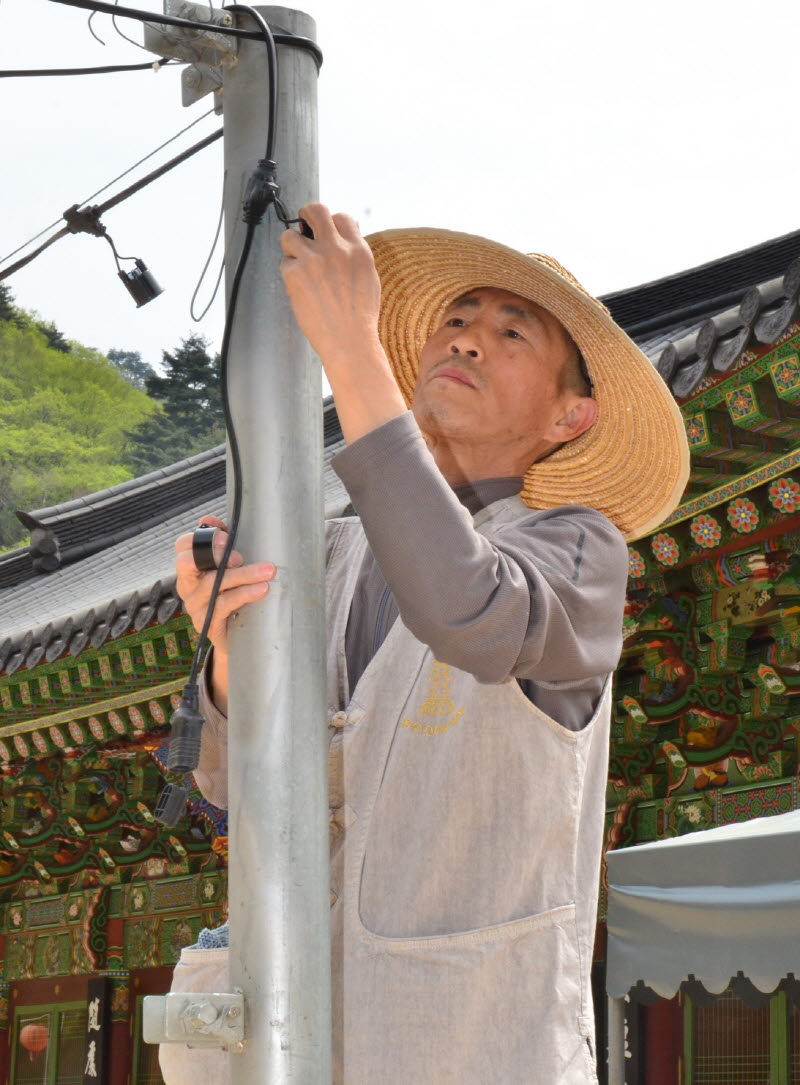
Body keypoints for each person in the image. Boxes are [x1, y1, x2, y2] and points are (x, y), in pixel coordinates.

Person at [173, 205, 689, 1083]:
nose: (468, 338)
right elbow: (223, 785)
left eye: (512, 331)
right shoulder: (317, 549)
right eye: (455, 318)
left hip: (473, 1041)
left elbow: (470, 609)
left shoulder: (577, 548)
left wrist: (349, 350)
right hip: (290, 1042)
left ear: (570, 417)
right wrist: (226, 650)